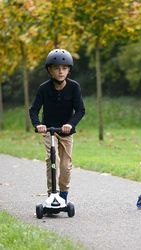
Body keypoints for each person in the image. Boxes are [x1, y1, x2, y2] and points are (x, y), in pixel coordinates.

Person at [29, 48, 85, 202]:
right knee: (53, 160)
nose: (61, 71)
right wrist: (38, 124)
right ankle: (52, 194)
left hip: (66, 132)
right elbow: (33, 110)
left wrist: (70, 124)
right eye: (57, 68)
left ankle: (64, 194)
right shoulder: (43, 89)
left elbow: (80, 110)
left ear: (69, 71)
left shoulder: (74, 87)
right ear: (49, 70)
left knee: (66, 165)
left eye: (64, 68)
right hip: (49, 131)